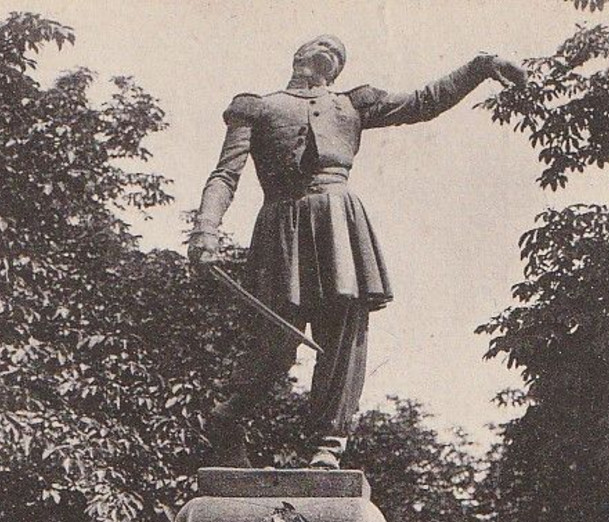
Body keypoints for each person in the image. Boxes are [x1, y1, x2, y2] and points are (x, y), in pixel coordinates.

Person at [189, 34, 526, 468]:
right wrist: (205, 231)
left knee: (343, 335)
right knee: (272, 345)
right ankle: (230, 417)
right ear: (298, 55)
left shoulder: (352, 105)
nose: (331, 49)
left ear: (339, 70)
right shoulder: (257, 106)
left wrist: (479, 67)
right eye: (322, 44)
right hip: (281, 229)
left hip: (339, 227)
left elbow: (425, 101)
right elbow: (225, 175)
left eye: (339, 52)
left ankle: (327, 444)